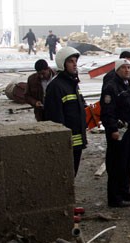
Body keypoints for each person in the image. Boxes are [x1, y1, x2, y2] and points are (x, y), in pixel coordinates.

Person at [100, 59, 130, 208]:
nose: (127, 70)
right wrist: (112, 129)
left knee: (127, 163)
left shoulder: (127, 84)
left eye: (129, 67)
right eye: (123, 68)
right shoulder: (111, 87)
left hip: (129, 130)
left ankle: (125, 192)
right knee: (117, 164)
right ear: (117, 70)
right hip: (119, 132)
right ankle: (115, 198)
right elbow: (107, 111)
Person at [43, 47, 87, 176]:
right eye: (70, 61)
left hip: (77, 141)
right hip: (67, 143)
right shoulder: (56, 87)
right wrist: (62, 141)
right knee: (65, 176)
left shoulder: (73, 84)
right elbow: (55, 118)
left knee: (72, 174)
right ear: (62, 64)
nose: (75, 64)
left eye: (75, 61)